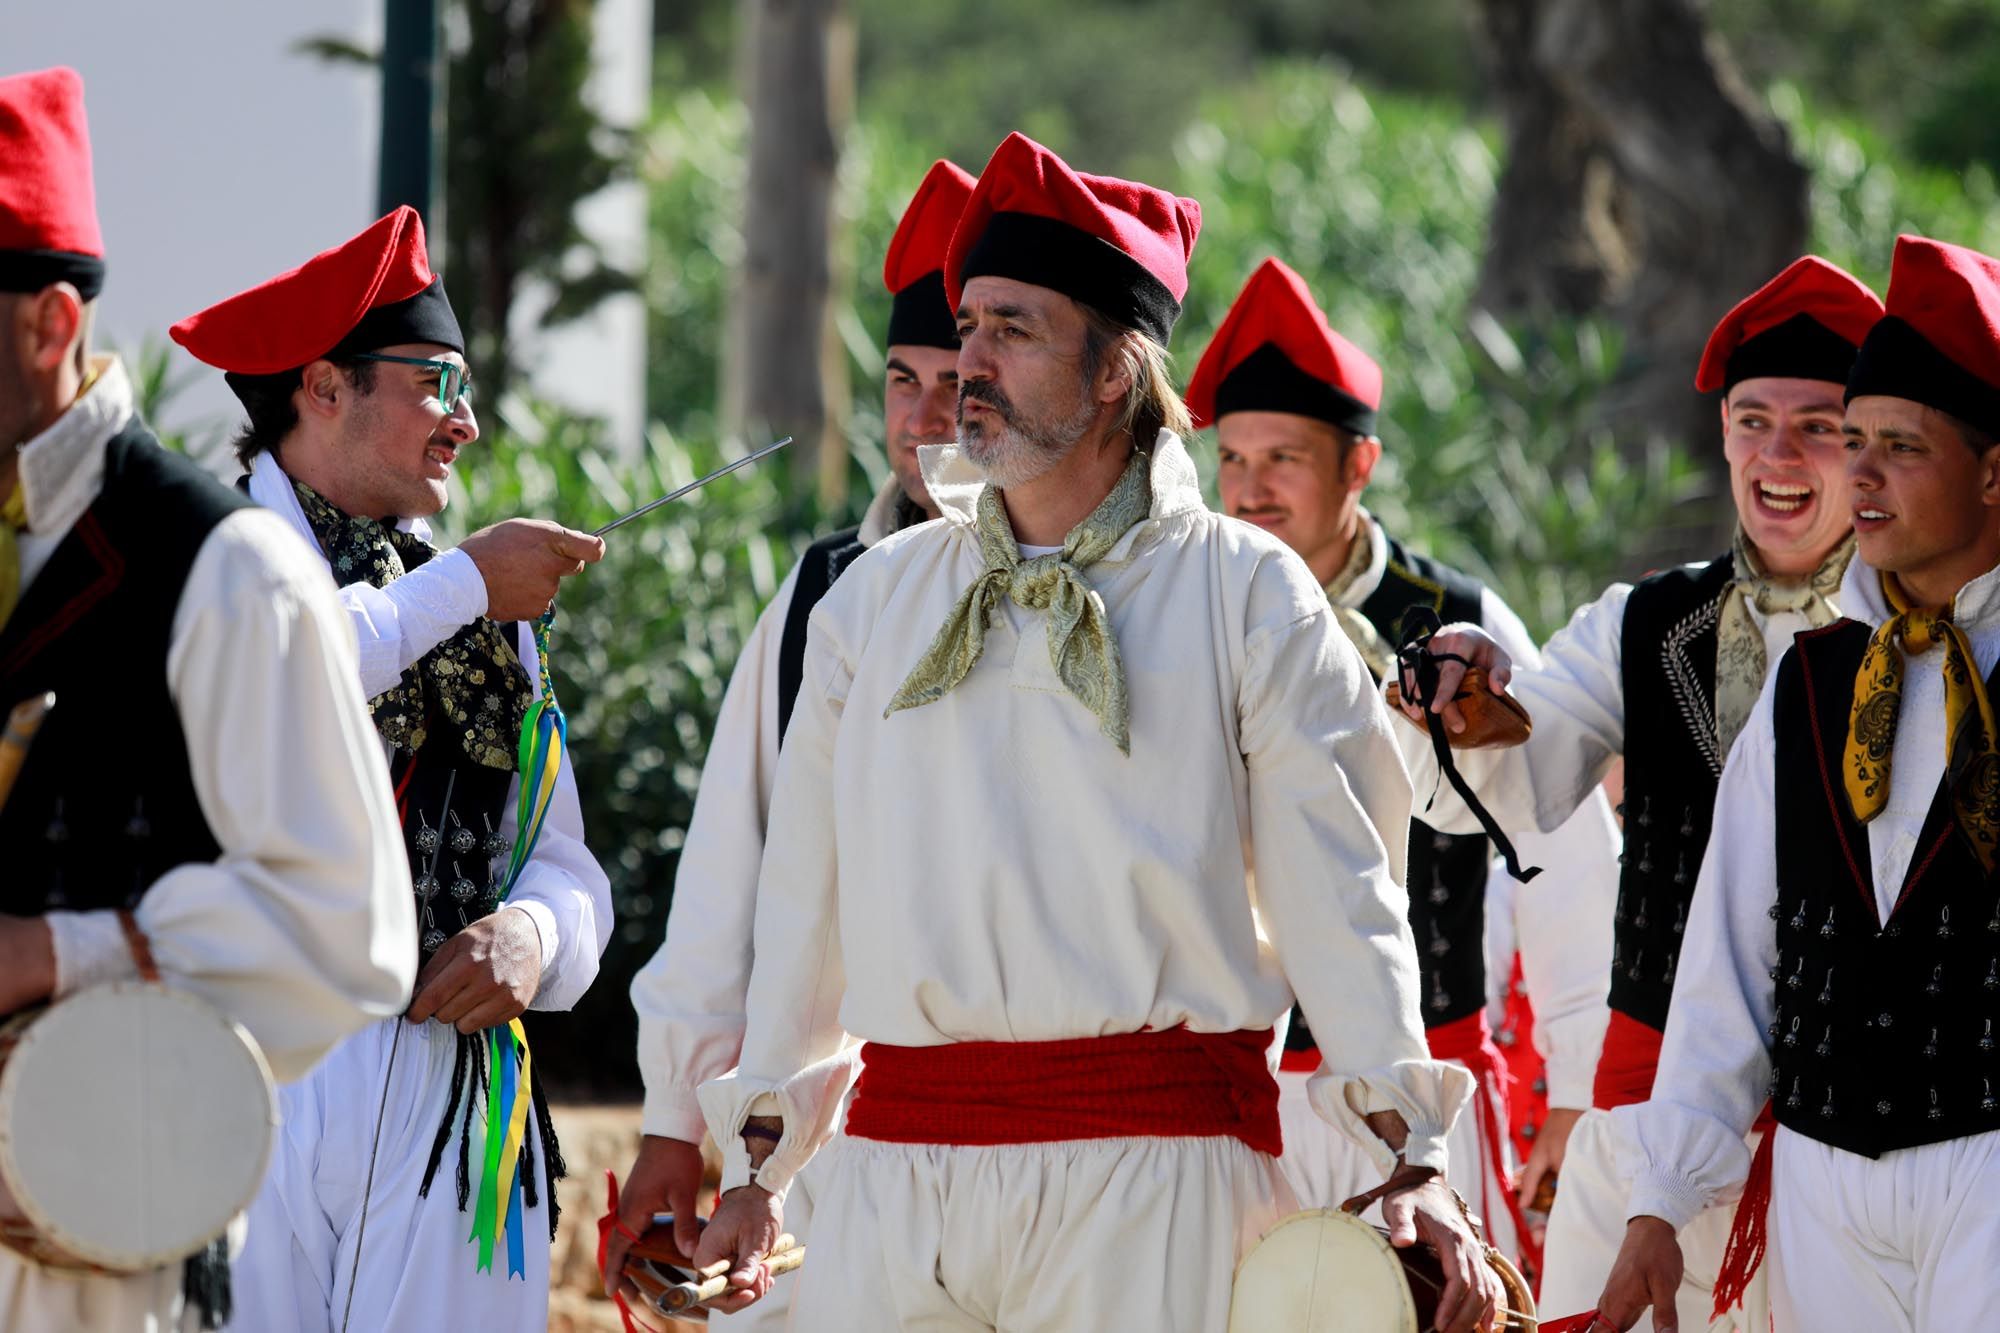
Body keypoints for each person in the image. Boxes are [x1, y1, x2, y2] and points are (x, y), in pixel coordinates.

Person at [687, 131, 1501, 1333]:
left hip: (1156, 1178)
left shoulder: (1245, 591)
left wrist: (1413, 1146)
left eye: (1013, 330)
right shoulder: (875, 597)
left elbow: (1342, 889)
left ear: (1115, 369)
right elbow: (804, 894)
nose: (968, 361)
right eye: (967, 326)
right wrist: (763, 1157)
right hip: (895, 1178)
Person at [0, 65, 416, 1331]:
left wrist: (62, 950)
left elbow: (350, 928)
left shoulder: (224, 567)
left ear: (47, 324)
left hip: (109, 1269)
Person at [1395, 255, 1882, 1330]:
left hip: (1844, 1132)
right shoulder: (1644, 620)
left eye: (1819, 425)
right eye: (1752, 419)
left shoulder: (1920, 640)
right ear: (1719, 435)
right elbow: (1516, 770)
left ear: (1874, 449)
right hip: (1643, 1102)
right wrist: (1467, 699)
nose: (1778, 453)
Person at [169, 206, 613, 1332]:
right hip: (243, 1064)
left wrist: (533, 936)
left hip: (448, 1086)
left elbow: (569, 869)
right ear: (324, 386)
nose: (464, 420)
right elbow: (288, 660)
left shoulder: (469, 593)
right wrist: (462, 583)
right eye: (434, 383)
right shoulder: (201, 549)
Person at [1596, 234, 2000, 1333]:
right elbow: (1730, 957)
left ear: (1993, 470)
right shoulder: (1807, 683)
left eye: (1898, 448)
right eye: (1851, 440)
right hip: (1820, 1179)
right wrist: (1658, 1202)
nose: (1855, 476)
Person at [1186, 256, 1622, 1267]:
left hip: (1418, 1078)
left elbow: (1558, 845)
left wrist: (1574, 1086)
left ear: (1358, 465)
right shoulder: (1188, 609)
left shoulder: (1458, 620)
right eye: (1234, 459)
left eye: (1282, 458)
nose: (1250, 490)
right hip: (1225, 1084)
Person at [609, 158, 974, 1323]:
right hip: (823, 1143)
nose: (921, 421)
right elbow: (733, 876)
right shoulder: (817, 597)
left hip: (1060, 1139)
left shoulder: (1119, 597)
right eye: (901, 381)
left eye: (957, 382)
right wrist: (677, 1118)